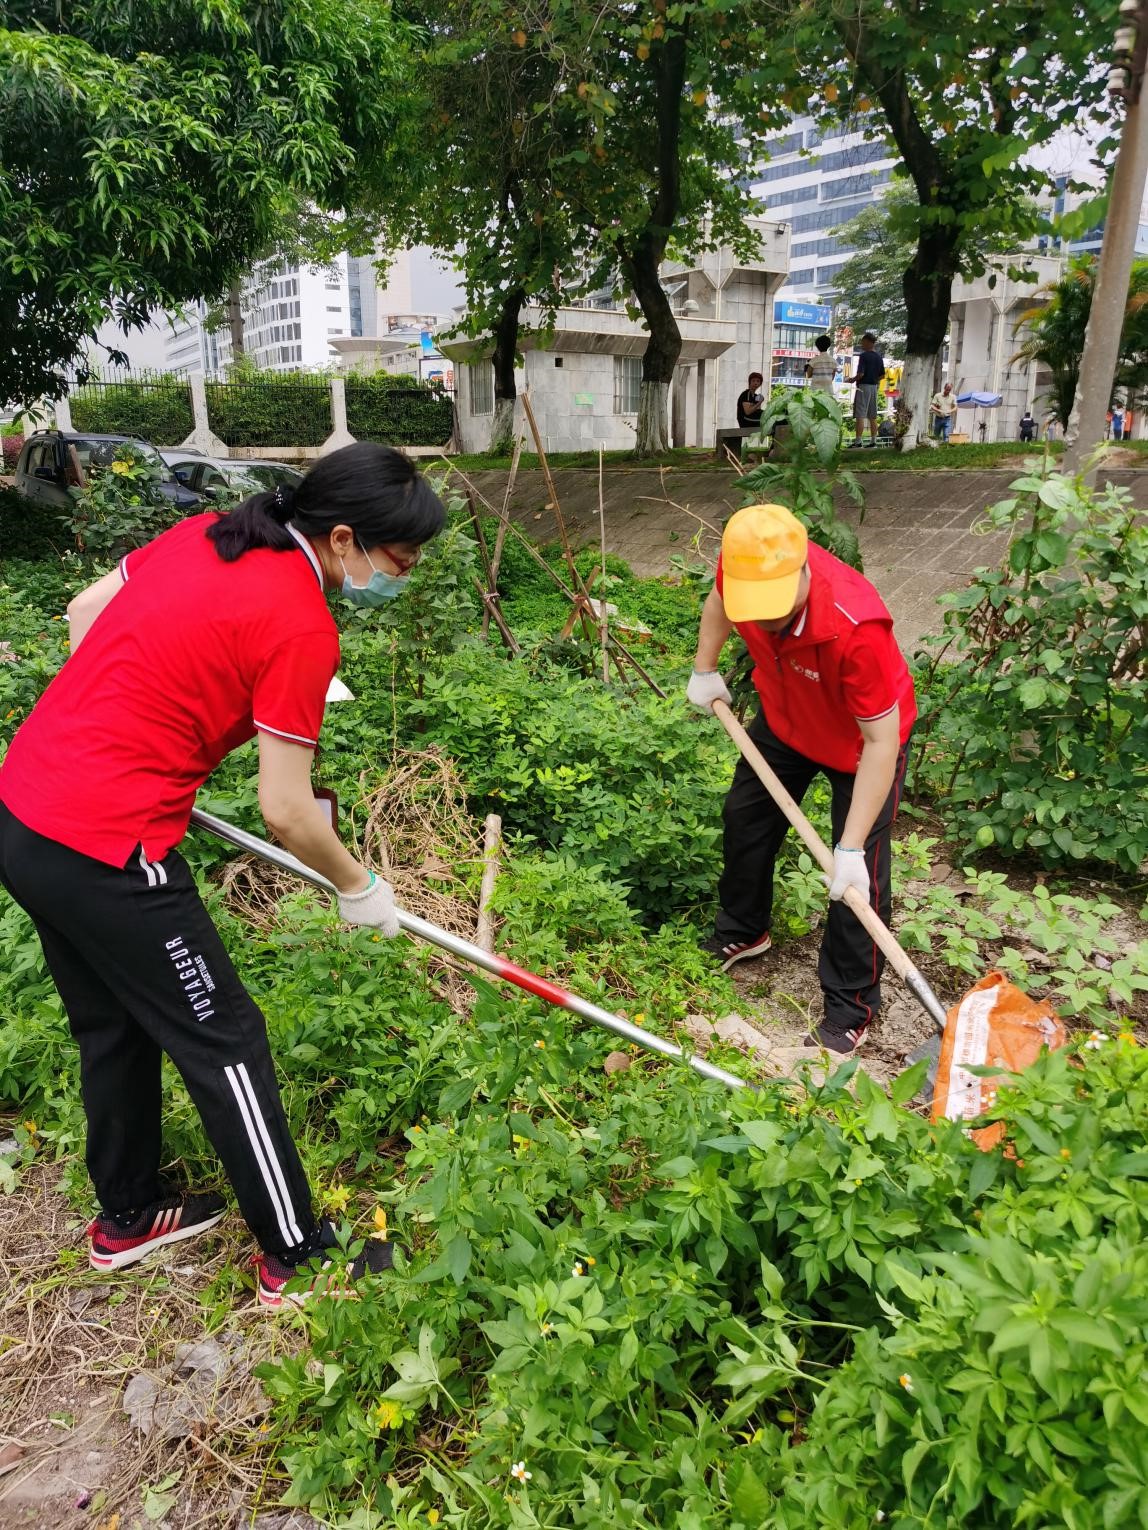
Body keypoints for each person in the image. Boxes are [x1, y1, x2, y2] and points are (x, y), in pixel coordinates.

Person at [0, 443, 446, 1309]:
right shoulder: (301, 625)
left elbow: (84, 609)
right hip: (107, 845)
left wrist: (121, 717)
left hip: (24, 809)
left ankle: (128, 1217)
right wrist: (358, 887)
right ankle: (298, 1255)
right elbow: (284, 808)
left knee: (114, 1026)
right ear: (346, 538)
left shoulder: (215, 532)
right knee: (226, 1043)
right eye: (401, 559)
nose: (406, 574)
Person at [686, 503, 916, 1064]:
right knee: (746, 816)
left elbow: (881, 743)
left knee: (856, 883)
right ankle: (744, 929)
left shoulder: (855, 624)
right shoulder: (742, 568)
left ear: (802, 573)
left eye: (774, 609)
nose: (762, 622)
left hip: (860, 748)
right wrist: (705, 666)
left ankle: (850, 1008)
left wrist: (852, 846)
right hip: (787, 721)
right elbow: (719, 600)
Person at [846, 334, 884, 447]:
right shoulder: (878, 357)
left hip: (863, 387)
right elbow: (882, 375)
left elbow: (861, 374)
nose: (861, 344)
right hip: (874, 387)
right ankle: (873, 441)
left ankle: (858, 442)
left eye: (862, 342)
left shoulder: (864, 356)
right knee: (873, 416)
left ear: (868, 342)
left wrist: (852, 380)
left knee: (860, 415)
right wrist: (873, 379)